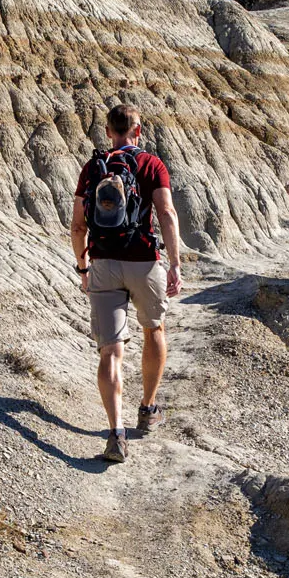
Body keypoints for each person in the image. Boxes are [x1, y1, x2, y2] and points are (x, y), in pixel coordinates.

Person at [70, 103, 182, 463]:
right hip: (144, 262)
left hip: (103, 263)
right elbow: (165, 213)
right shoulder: (151, 164)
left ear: (108, 132)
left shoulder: (92, 168)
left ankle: (116, 434)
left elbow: (77, 226)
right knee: (154, 329)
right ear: (138, 131)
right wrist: (175, 264)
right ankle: (148, 408)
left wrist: (84, 268)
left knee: (111, 350)